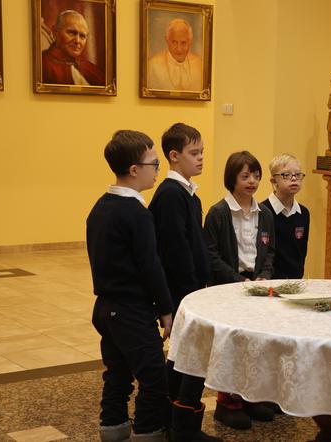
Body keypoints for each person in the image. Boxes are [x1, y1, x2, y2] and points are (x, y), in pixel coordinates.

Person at [87, 130, 172, 441]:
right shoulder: (136, 213)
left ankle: (113, 429)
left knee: (119, 374)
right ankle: (148, 432)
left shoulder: (100, 206)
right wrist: (165, 308)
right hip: (130, 310)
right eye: (154, 163)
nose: (157, 170)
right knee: (154, 377)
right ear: (135, 169)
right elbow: (151, 266)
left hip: (106, 309)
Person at [148, 123, 221, 442]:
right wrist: (193, 291)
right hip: (182, 291)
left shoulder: (188, 193)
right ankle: (180, 427)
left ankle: (177, 423)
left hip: (192, 289)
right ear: (174, 156)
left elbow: (196, 244)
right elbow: (176, 250)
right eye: (195, 153)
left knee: (186, 355)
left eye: (202, 152)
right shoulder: (171, 194)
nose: (201, 158)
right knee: (186, 356)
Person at [204, 150, 276, 430]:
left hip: (256, 287)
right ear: (231, 178)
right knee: (232, 345)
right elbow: (210, 254)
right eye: (245, 176)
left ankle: (252, 396)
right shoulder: (218, 213)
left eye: (256, 176)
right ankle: (227, 403)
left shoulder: (265, 214)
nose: (252, 181)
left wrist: (264, 278)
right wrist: (236, 280)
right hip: (229, 287)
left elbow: (269, 252)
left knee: (256, 343)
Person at [261, 154, 310, 279]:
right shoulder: (262, 211)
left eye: (298, 175)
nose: (293, 179)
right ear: (273, 181)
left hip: (295, 282)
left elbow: (301, 252)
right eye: (286, 175)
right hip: (268, 282)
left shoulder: (303, 213)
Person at [42, 10, 104, 86]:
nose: (77, 41)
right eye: (71, 33)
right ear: (55, 32)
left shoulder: (90, 68)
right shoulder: (42, 64)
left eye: (82, 36)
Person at [148, 18, 203, 91]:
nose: (179, 49)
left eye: (183, 43)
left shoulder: (199, 65)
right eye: (174, 42)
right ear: (167, 41)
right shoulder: (153, 66)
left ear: (190, 42)